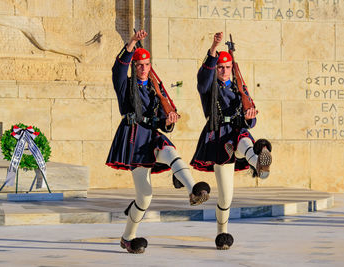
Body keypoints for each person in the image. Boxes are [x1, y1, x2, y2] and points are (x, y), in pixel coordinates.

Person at [106, 30, 211, 254]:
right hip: (135, 139)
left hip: (153, 135)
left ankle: (193, 190)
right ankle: (127, 238)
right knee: (144, 197)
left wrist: (170, 120)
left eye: (147, 64)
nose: (144, 68)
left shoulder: (156, 90)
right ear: (134, 66)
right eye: (140, 64)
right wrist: (132, 43)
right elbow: (118, 69)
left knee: (171, 152)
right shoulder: (124, 86)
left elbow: (165, 122)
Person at [190, 32, 272, 250]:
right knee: (226, 198)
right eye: (220, 67)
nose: (223, 70)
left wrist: (250, 117)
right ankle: (222, 233)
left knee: (245, 140)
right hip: (218, 136)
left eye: (226, 67)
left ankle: (259, 164)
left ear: (231, 68)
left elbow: (250, 117)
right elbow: (202, 79)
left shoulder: (239, 88)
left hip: (236, 132)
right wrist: (213, 48)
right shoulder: (208, 88)